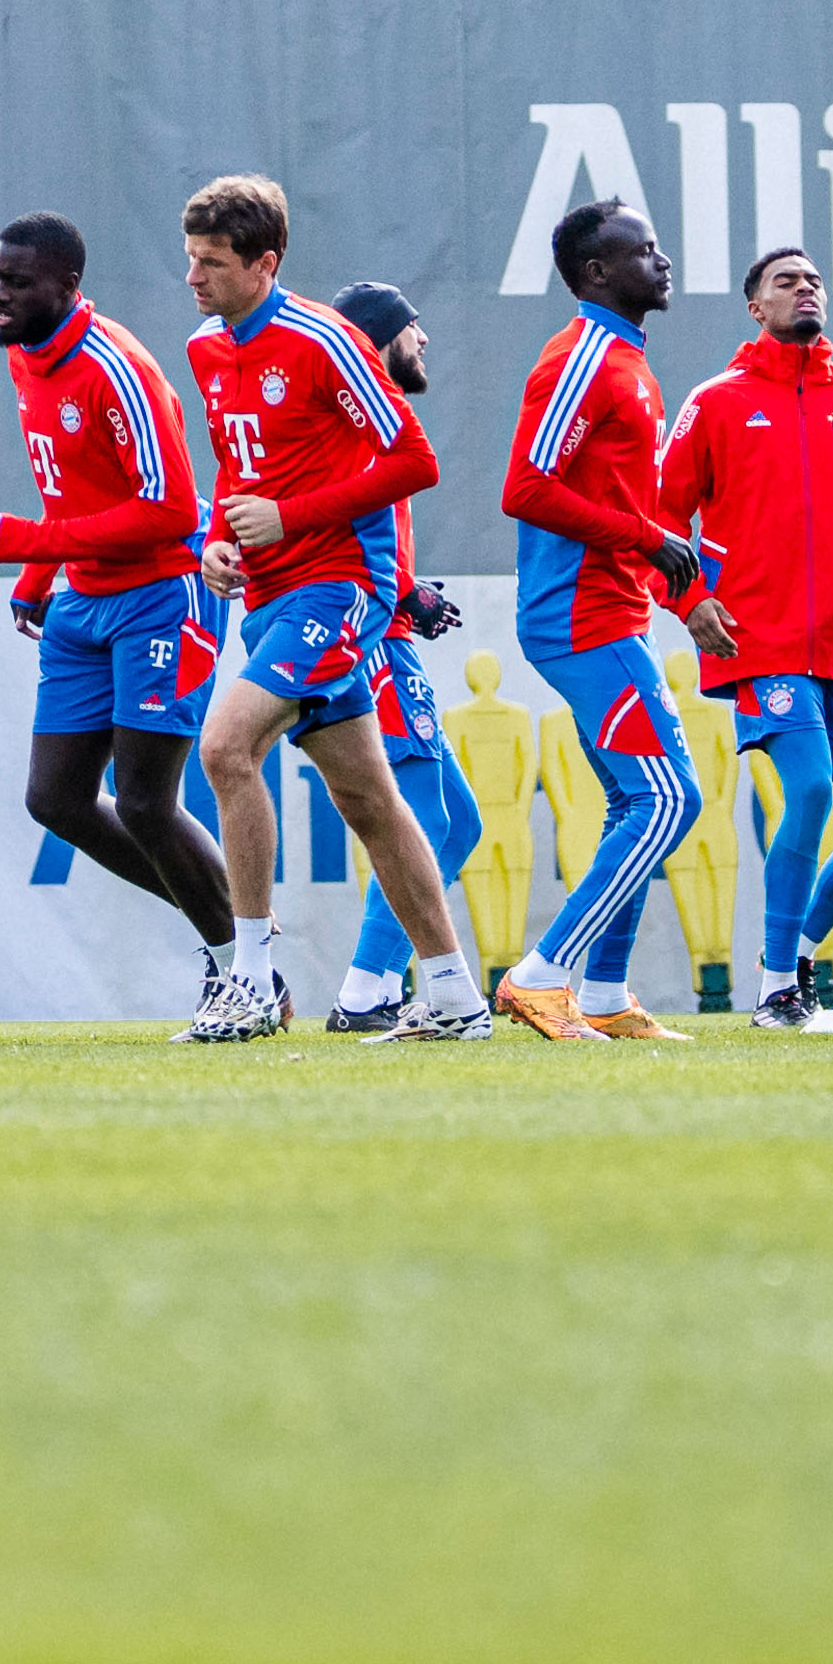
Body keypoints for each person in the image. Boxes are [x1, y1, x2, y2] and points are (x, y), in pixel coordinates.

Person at [171, 176, 478, 1041]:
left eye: (212, 262)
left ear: (265, 263)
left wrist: (290, 517)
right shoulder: (207, 347)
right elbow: (236, 466)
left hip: (341, 582)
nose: (193, 277)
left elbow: (416, 461)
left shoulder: (323, 340)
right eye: (189, 258)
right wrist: (216, 538)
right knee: (371, 799)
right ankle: (454, 997)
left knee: (226, 745)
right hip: (269, 591)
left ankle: (254, 980)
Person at [0, 212, 242, 1025]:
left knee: (148, 801)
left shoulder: (116, 368)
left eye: (17, 281)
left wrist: (29, 540)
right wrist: (39, 571)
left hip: (162, 590)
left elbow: (166, 511)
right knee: (55, 800)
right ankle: (239, 942)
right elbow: (70, 486)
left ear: (67, 285)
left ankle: (243, 965)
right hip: (84, 599)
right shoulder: (26, 358)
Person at [656, 245, 833, 1031]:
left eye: (814, 279)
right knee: (807, 791)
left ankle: (799, 955)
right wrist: (691, 600)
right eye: (785, 281)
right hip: (762, 642)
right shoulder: (715, 403)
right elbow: (660, 523)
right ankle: (775, 988)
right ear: (755, 307)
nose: (804, 288)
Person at [493, 201, 709, 1042]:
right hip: (576, 615)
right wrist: (649, 537)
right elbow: (526, 488)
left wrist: (660, 570)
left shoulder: (628, 360)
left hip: (612, 608)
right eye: (644, 251)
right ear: (595, 273)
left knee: (640, 801)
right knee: (669, 799)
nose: (663, 262)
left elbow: (606, 494)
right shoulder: (582, 356)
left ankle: (609, 994)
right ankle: (541, 976)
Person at [320, 287, 494, 1034]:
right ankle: (366, 993)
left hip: (383, 633)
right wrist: (397, 593)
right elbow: (334, 532)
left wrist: (407, 587)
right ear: (377, 339)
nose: (423, 337)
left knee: (458, 826)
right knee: (419, 813)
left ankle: (374, 986)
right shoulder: (356, 426)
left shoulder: (365, 420)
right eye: (408, 325)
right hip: (374, 641)